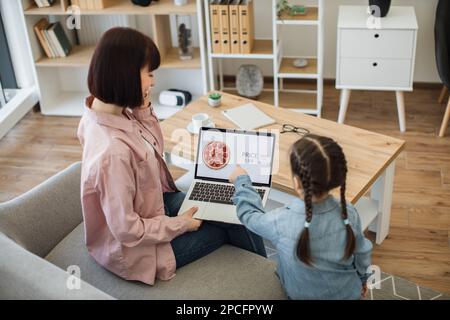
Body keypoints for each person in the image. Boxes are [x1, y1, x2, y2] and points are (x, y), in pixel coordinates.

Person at [77, 27, 266, 285]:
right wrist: (181, 225)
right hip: (137, 252)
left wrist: (142, 109)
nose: (153, 82)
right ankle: (265, 277)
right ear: (126, 75)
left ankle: (260, 272)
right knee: (231, 222)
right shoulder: (113, 153)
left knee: (230, 206)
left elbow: (153, 146)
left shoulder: (101, 112)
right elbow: (127, 230)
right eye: (149, 73)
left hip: (155, 206)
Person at [229, 134, 373, 299]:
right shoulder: (349, 211)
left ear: (297, 183)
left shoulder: (280, 221)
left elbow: (249, 216)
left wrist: (241, 181)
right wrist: (363, 279)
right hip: (348, 293)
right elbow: (362, 252)